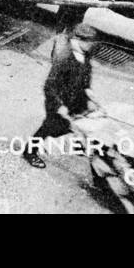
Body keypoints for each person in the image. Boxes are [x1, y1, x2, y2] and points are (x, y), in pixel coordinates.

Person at [22, 24, 99, 170]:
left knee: (81, 124)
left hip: (76, 98)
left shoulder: (85, 54)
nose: (91, 45)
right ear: (78, 40)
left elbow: (86, 75)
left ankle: (78, 145)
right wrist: (59, 106)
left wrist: (89, 92)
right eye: (88, 42)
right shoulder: (65, 58)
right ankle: (29, 152)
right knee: (50, 128)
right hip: (59, 100)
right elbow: (49, 86)